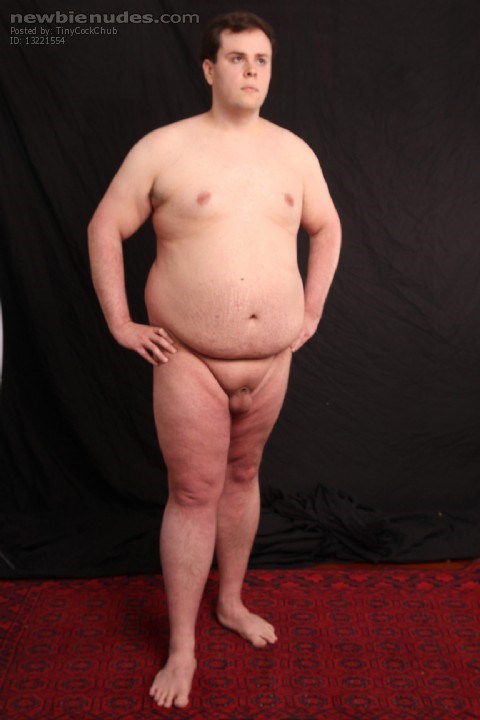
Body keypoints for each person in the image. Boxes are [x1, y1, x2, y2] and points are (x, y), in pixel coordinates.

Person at [88, 10, 341, 709]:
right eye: (236, 59)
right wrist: (119, 322)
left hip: (273, 360)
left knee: (244, 476)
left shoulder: (294, 153)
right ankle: (182, 648)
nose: (251, 71)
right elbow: (106, 225)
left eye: (262, 60)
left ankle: (229, 601)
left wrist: (310, 311)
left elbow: (327, 226)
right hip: (188, 358)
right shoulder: (165, 148)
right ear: (209, 69)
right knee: (195, 493)